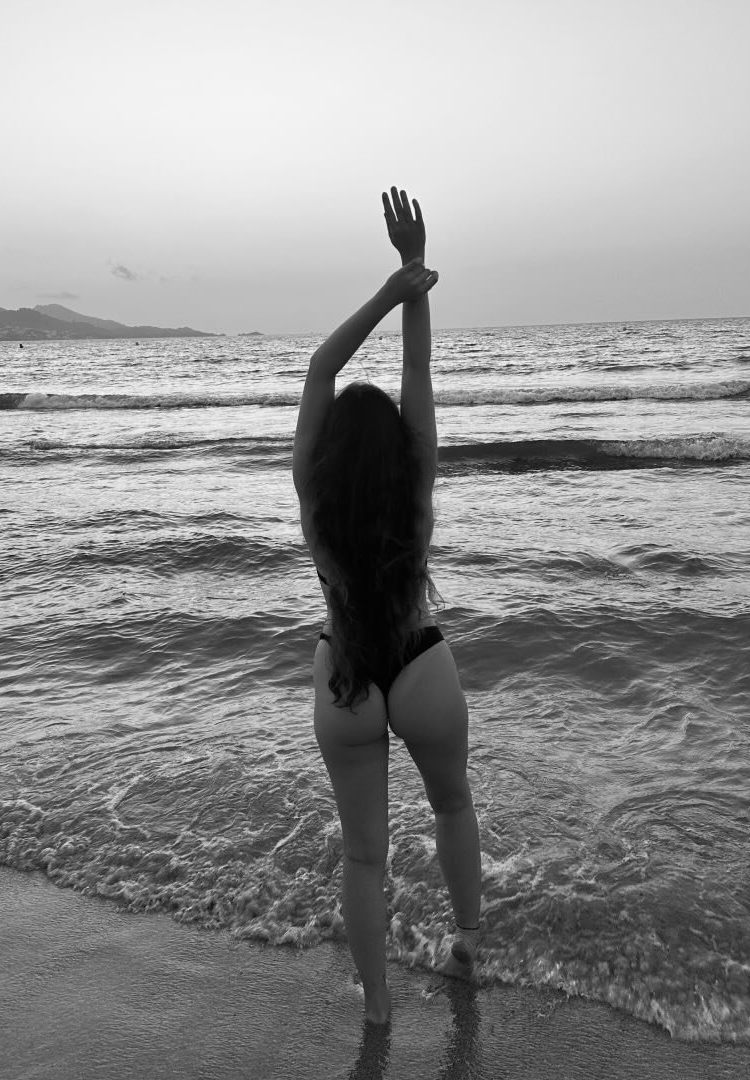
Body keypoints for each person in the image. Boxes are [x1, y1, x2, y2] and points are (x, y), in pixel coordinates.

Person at [292, 188, 482, 1025]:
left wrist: (387, 290)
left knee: (364, 857)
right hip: (419, 661)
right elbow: (418, 374)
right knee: (452, 804)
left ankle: (376, 1009)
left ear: (331, 452)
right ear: (396, 449)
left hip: (346, 674)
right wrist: (415, 274)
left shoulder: (314, 497)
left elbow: (320, 370)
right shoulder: (415, 485)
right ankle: (467, 946)